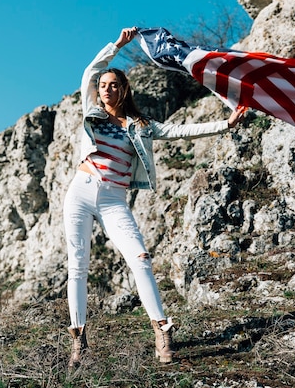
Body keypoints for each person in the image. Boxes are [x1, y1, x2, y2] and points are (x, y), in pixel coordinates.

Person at [63, 27, 245, 366]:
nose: (107, 90)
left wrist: (225, 124)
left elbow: (179, 131)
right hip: (81, 191)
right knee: (78, 266)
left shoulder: (141, 125)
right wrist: (117, 45)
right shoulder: (92, 111)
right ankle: (79, 343)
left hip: (114, 198)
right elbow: (90, 71)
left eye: (113, 85)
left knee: (141, 259)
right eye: (103, 86)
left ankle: (162, 330)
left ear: (125, 89)